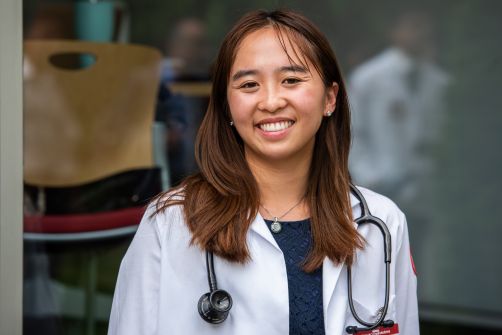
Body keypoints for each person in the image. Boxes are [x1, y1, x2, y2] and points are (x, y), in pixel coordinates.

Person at [108, 9, 418, 335]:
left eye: (292, 80)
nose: (270, 102)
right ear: (227, 105)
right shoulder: (170, 223)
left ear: (330, 98)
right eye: (249, 84)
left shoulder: (382, 224)